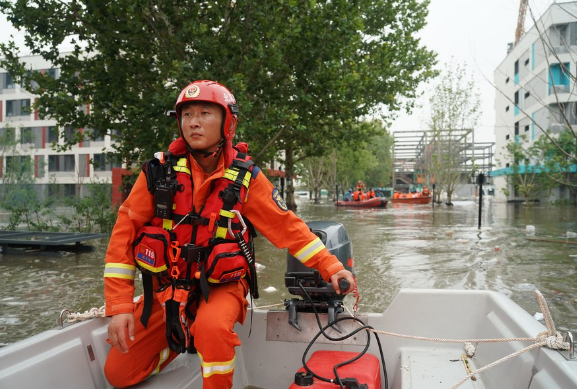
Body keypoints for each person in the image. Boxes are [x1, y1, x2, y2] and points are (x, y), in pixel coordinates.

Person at [102, 80, 355, 389]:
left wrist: (332, 267)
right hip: (169, 288)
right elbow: (123, 238)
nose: (193, 122)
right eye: (186, 114)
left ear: (228, 122)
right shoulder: (157, 173)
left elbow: (289, 229)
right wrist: (119, 307)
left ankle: (207, 352)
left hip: (222, 285)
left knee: (211, 328)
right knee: (118, 374)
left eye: (205, 113)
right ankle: (180, 339)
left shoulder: (247, 178)